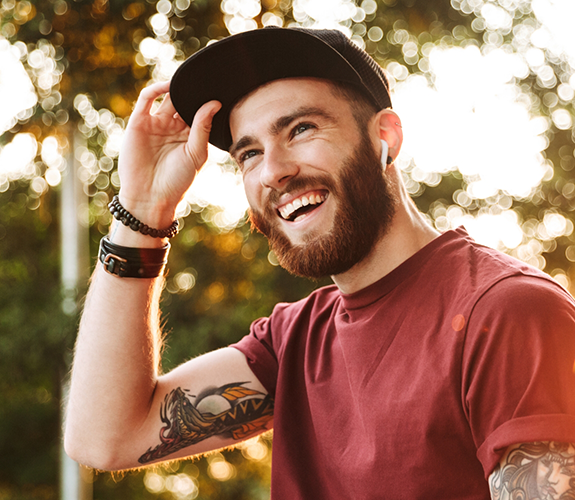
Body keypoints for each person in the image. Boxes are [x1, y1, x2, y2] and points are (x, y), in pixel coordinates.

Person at [64, 27, 575, 499]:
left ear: (385, 138)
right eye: (248, 154)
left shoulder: (506, 313)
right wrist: (143, 211)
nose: (274, 171)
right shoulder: (294, 342)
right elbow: (105, 438)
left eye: (301, 129)